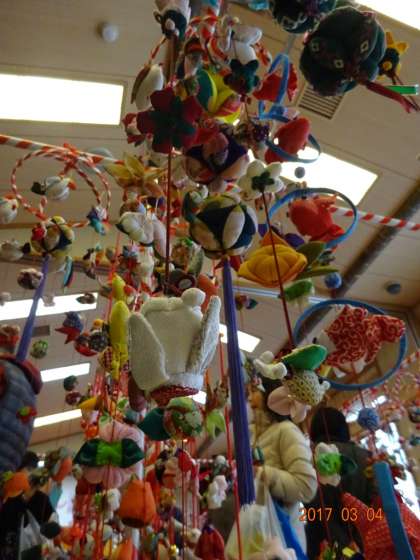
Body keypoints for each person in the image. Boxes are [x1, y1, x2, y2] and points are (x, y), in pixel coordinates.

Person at [210, 378, 317, 558]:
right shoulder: (253, 438)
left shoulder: (286, 430)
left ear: (270, 393)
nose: (249, 397)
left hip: (284, 536)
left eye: (254, 391)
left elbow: (306, 486)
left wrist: (261, 474)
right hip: (259, 536)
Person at [305, 407, 376, 559]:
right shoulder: (366, 458)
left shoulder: (308, 462)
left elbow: (312, 510)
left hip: (326, 550)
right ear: (344, 428)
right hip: (371, 545)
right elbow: (377, 502)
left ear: (313, 431)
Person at [0, 451, 55, 560]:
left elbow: (51, 524)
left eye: (34, 470)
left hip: (27, 551)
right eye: (29, 469)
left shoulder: (40, 498)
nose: (31, 475)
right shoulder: (7, 494)